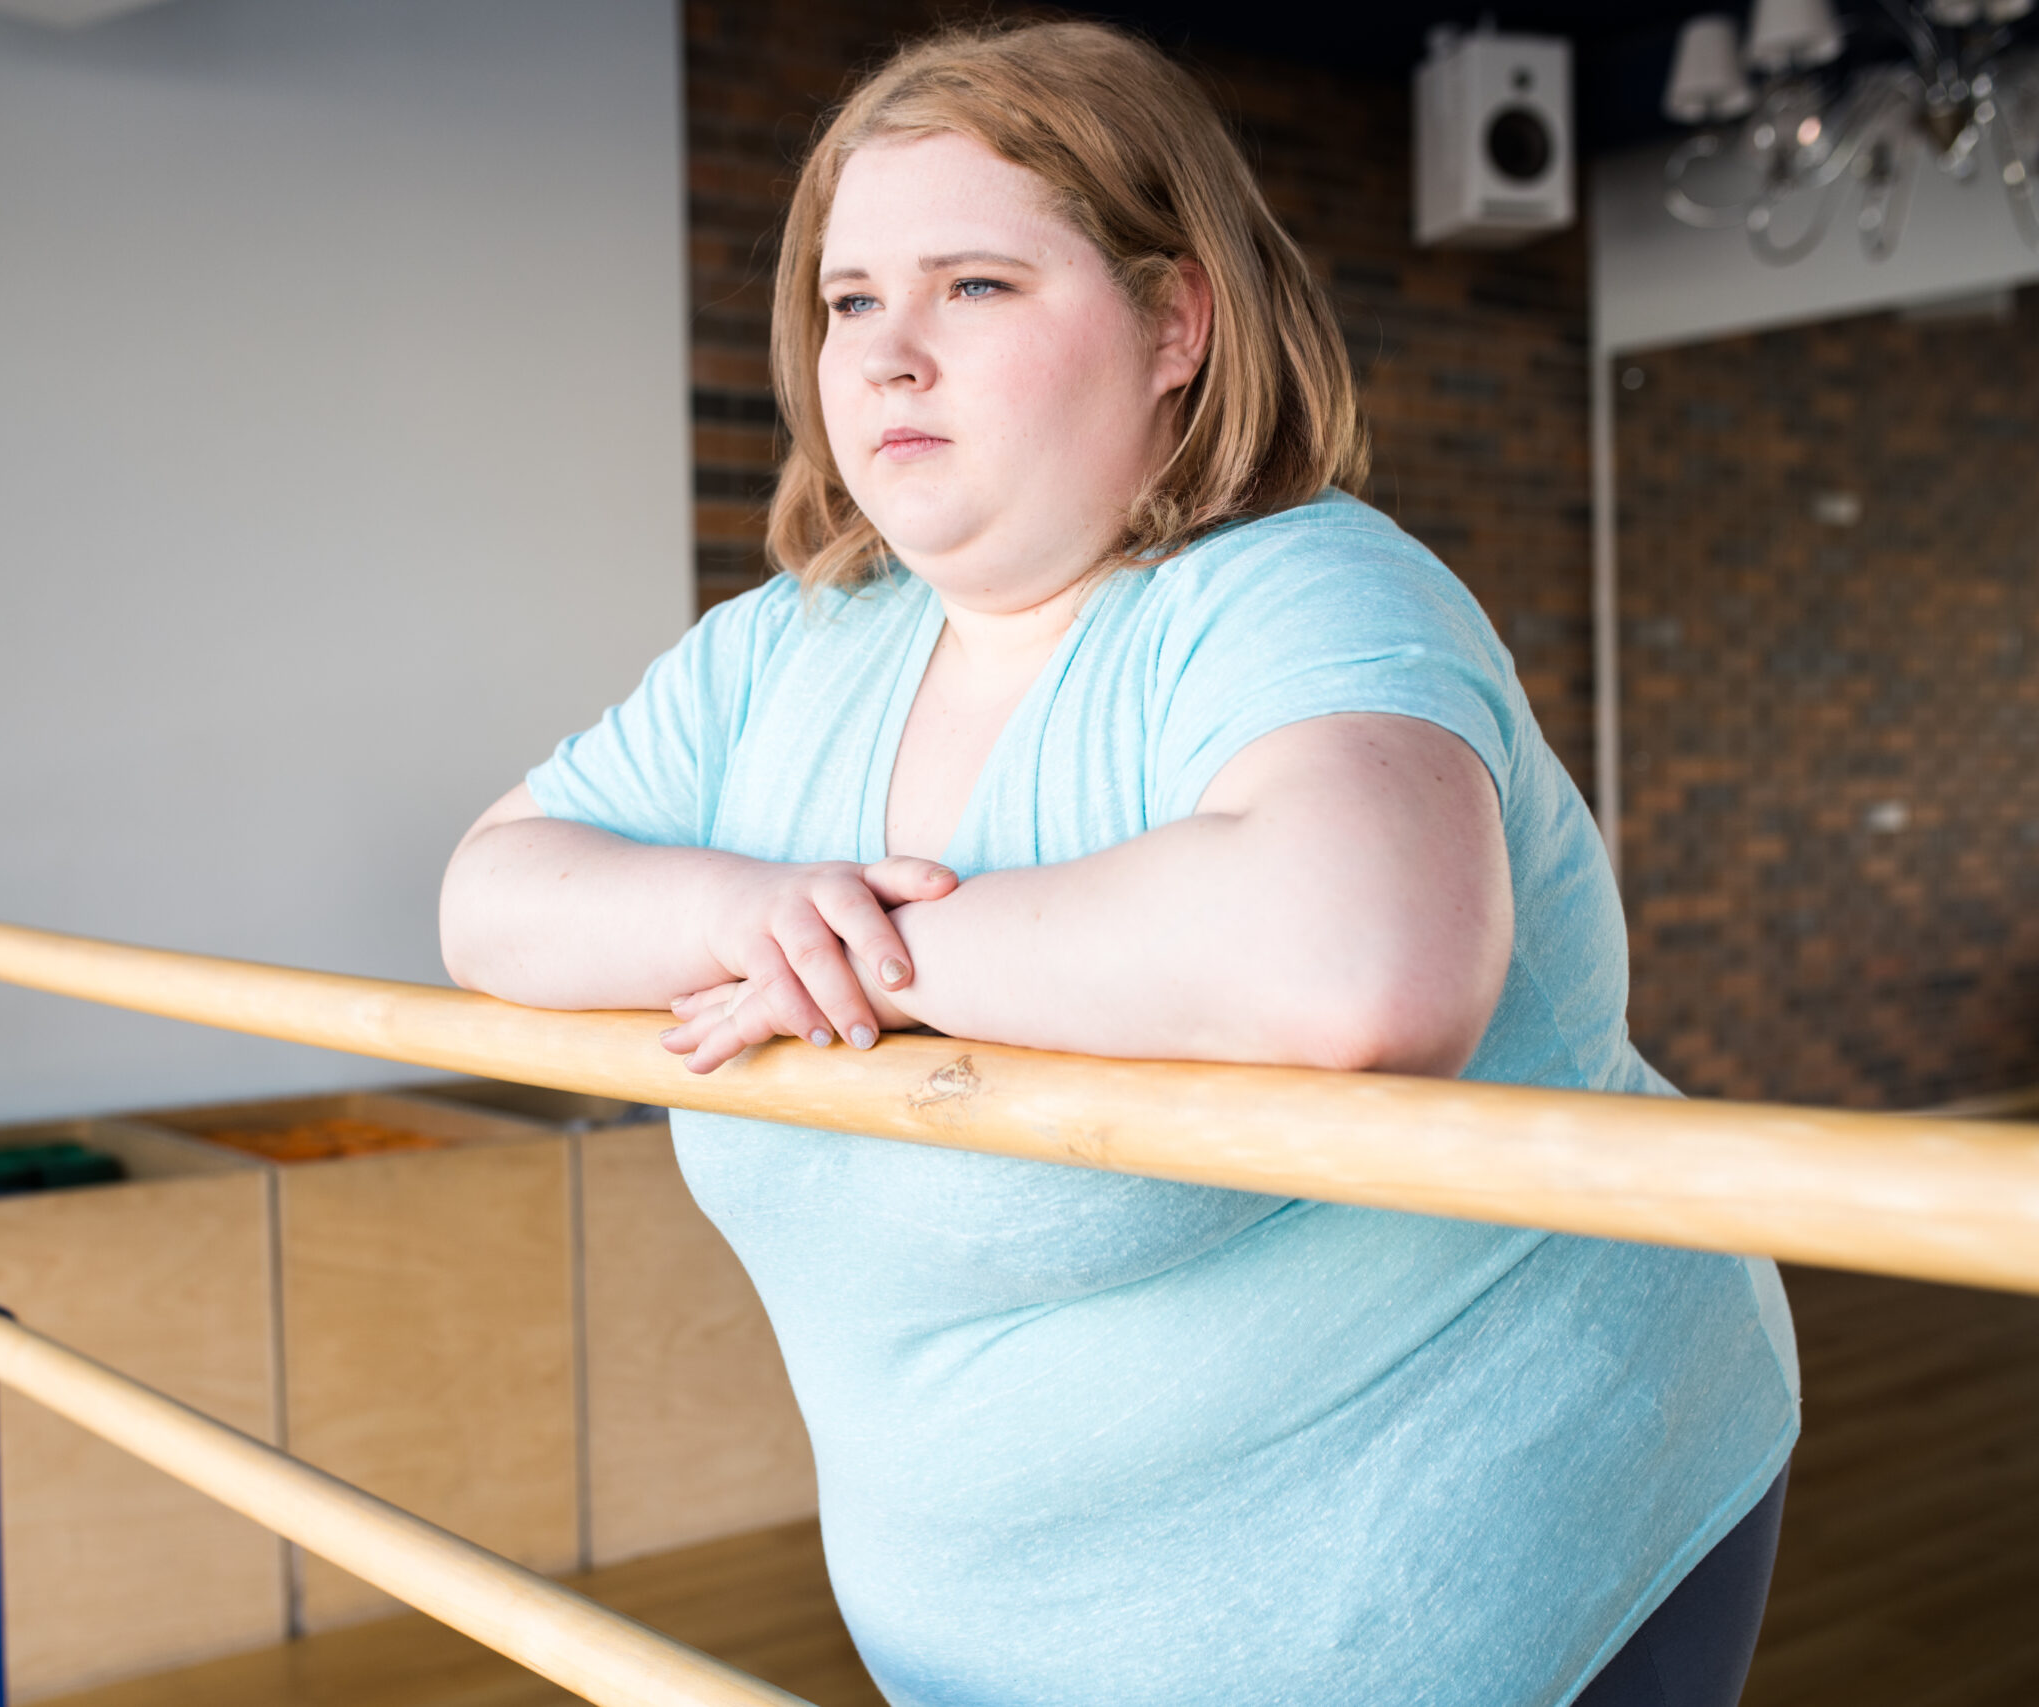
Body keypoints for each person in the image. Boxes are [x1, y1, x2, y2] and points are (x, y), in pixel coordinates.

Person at [440, 21, 1796, 1707]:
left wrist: (849, 953)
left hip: (1492, 1553)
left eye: (977, 288)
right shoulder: (781, 649)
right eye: (851, 298)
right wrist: (739, 910)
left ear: (1176, 321)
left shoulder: (1302, 588)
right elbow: (490, 893)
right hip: (992, 1641)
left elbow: (1359, 965)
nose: (888, 356)